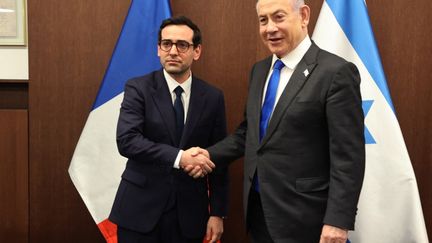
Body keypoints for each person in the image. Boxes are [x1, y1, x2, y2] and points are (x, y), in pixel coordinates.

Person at [188, 0, 365, 242]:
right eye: (263, 20)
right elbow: (249, 134)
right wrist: (207, 155)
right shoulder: (260, 71)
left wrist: (337, 221)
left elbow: (348, 157)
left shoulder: (335, 72)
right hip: (259, 212)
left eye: (279, 17)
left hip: (307, 219)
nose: (269, 28)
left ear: (303, 16)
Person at [109, 16, 228, 243]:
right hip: (139, 211)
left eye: (182, 45)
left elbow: (219, 158)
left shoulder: (212, 97)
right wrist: (180, 158)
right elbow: (127, 141)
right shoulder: (138, 88)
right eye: (167, 44)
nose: (173, 51)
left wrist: (217, 213)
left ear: (197, 51)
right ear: (158, 49)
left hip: (190, 215)